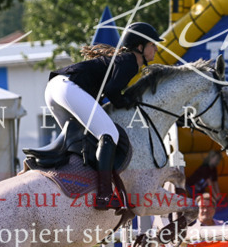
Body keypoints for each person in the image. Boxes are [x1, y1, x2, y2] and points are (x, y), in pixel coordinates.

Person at [44, 21, 162, 209]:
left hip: (54, 88)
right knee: (109, 134)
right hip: (68, 88)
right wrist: (128, 102)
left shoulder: (124, 60)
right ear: (140, 47)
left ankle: (67, 181)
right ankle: (105, 195)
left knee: (78, 140)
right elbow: (112, 91)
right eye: (152, 44)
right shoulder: (130, 61)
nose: (155, 48)